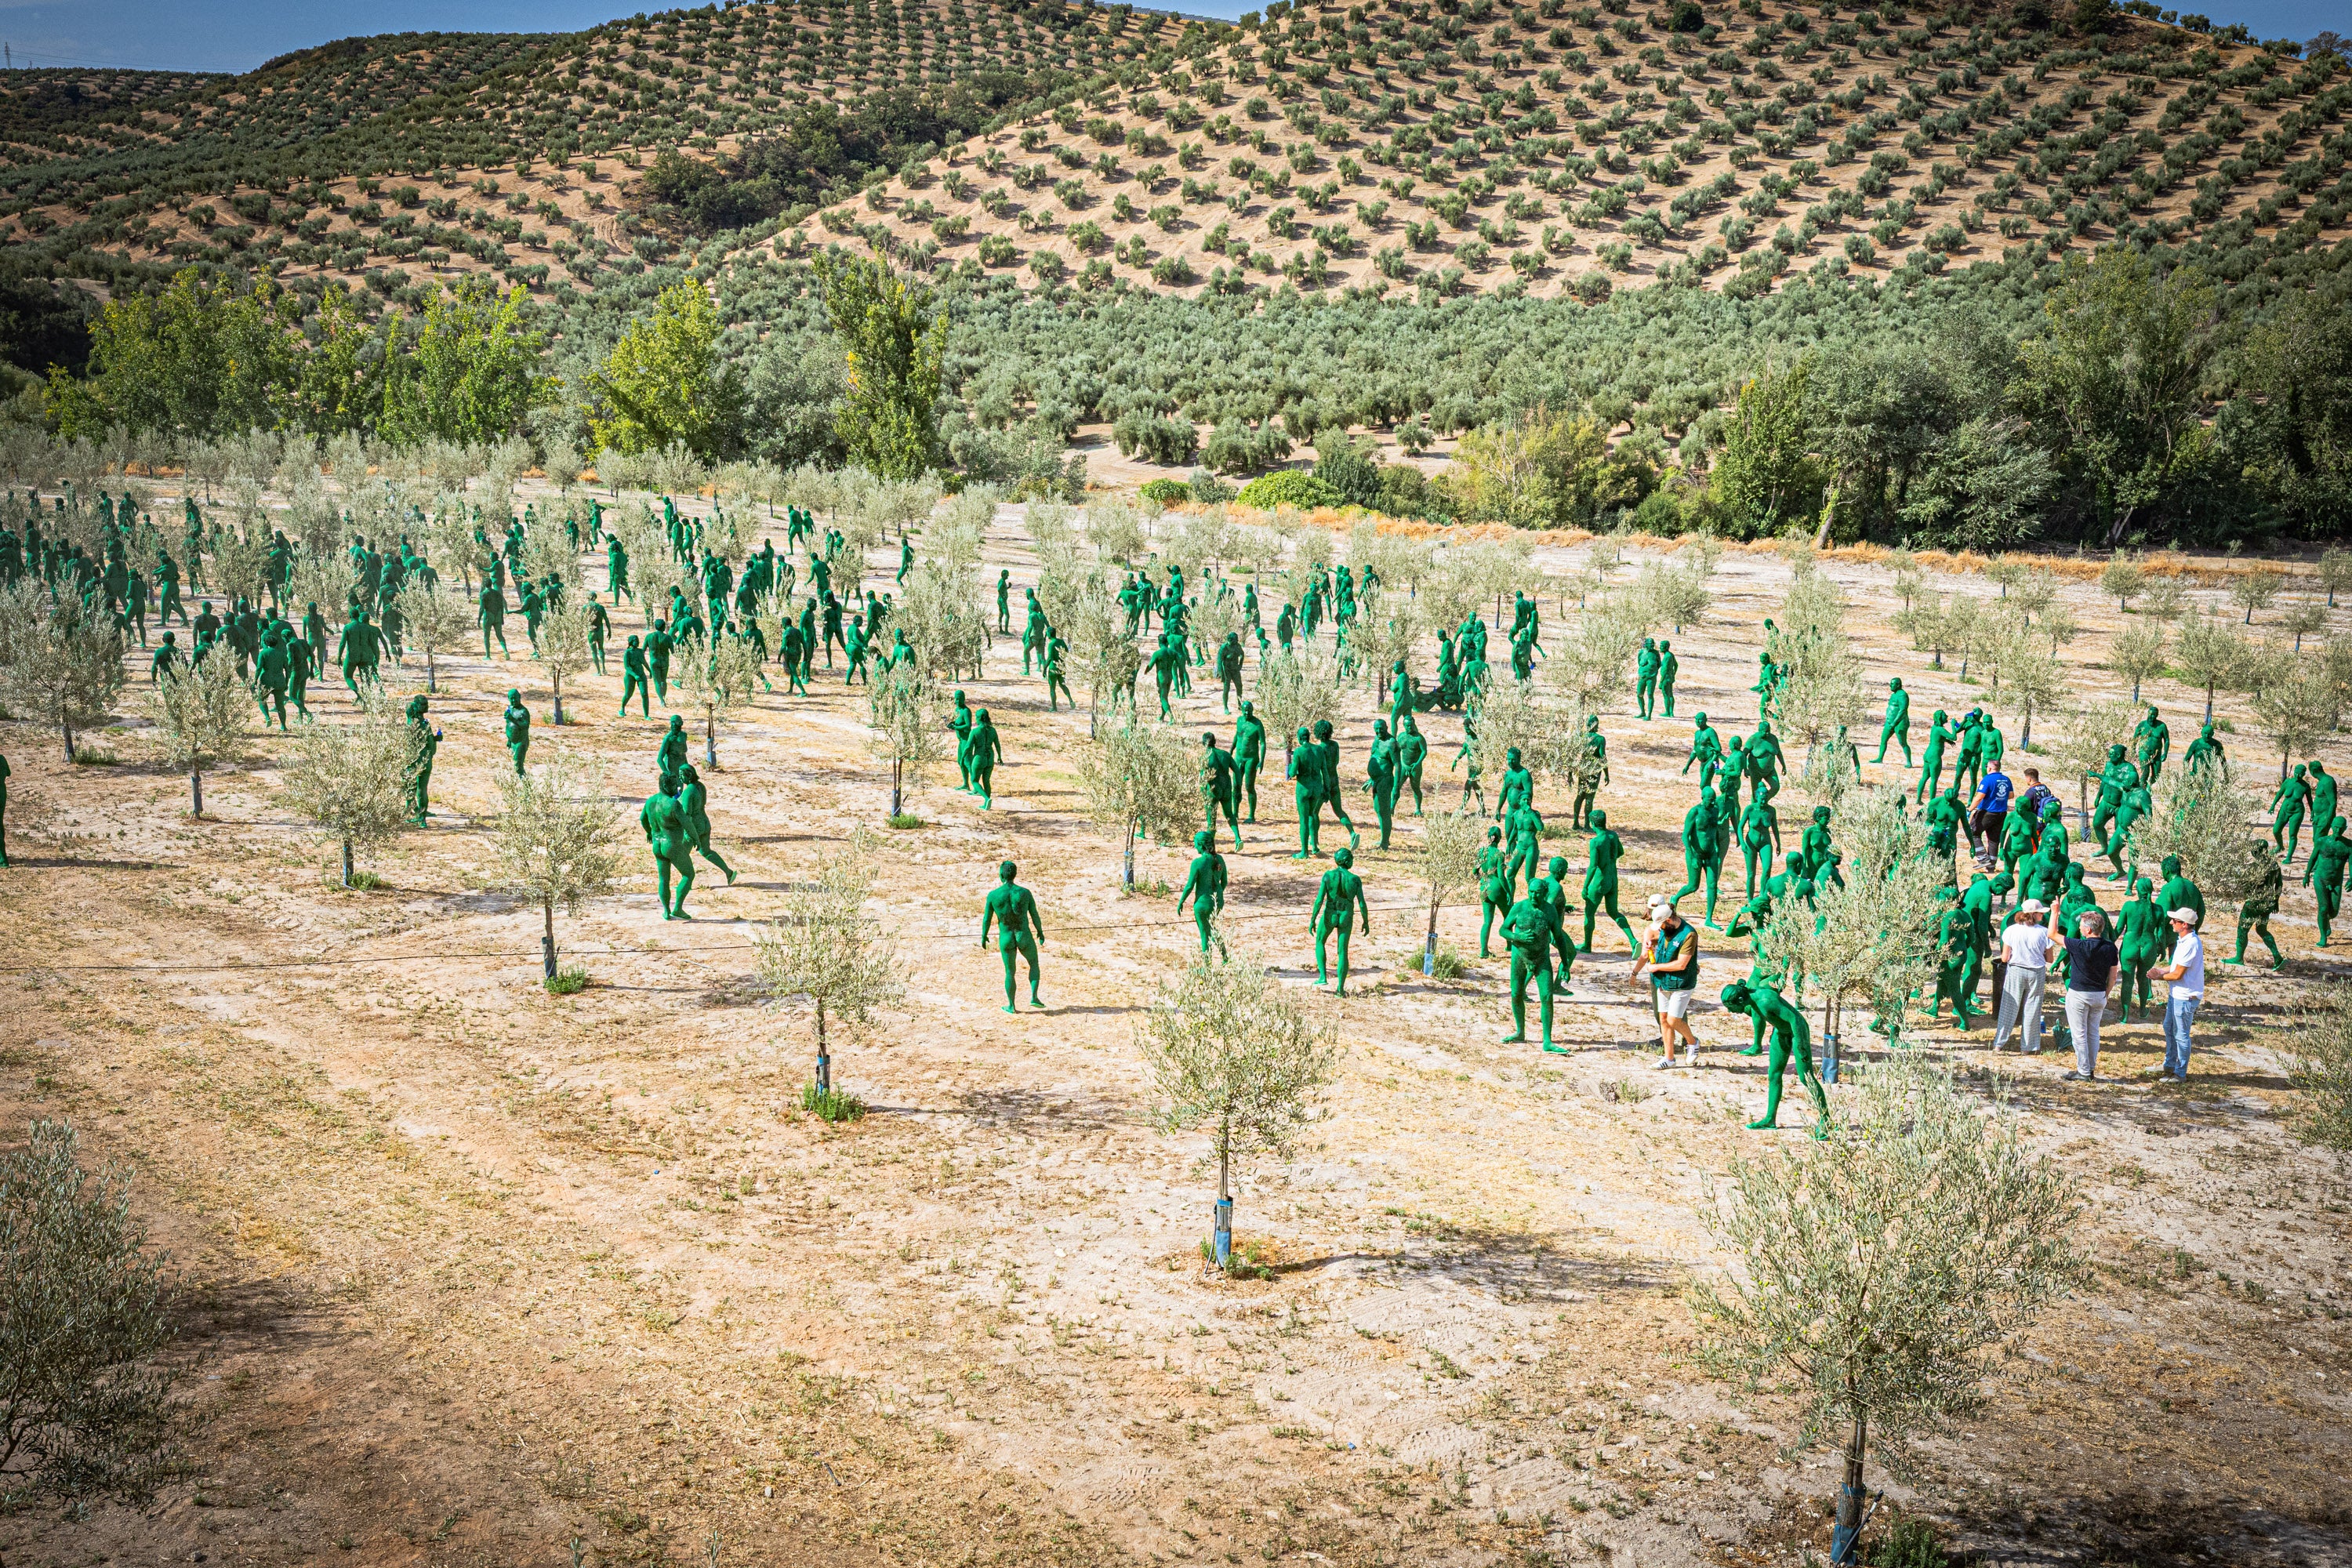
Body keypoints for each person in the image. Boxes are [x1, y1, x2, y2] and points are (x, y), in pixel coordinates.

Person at [1633, 900, 1699, 1068]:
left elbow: (1681, 964)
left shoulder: (1689, 934)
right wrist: (1650, 942)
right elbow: (1655, 937)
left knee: (1673, 1019)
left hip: (1682, 983)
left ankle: (1693, 1042)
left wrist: (1655, 967)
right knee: (1663, 1018)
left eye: (1660, 926)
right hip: (1663, 981)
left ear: (1668, 921)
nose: (1659, 929)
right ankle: (1669, 1059)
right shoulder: (1666, 928)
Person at [2060, 909, 2118, 1082]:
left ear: (2088, 931)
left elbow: (2052, 934)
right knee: (2093, 1032)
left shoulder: (2079, 945)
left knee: (2079, 1034)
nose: (2079, 929)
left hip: (2079, 994)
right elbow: (2113, 976)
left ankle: (2083, 1071)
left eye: (2081, 927)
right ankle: (2090, 1068)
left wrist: (2055, 912)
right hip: (2098, 994)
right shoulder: (2110, 947)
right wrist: (2105, 994)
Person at [980, 861, 1047, 1012]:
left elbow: (987, 919)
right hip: (1023, 934)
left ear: (1001, 875)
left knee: (1010, 972)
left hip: (1006, 936)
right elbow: (1034, 914)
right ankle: (1034, 997)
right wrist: (1040, 932)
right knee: (1034, 964)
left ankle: (1011, 1005)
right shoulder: (1025, 893)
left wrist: (984, 936)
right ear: (1015, 874)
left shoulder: (993, 895)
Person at [1990, 898, 2053, 1054]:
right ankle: (2029, 1047)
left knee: (2008, 1006)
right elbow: (2050, 959)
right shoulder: (2044, 932)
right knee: (2033, 1007)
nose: (2042, 916)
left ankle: (1999, 1043)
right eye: (2040, 913)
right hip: (2036, 971)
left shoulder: (2011, 930)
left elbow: (2004, 958)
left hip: (2016, 969)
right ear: (2035, 914)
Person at [1310, 846, 1371, 995]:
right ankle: (1340, 989)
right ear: (1346, 861)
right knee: (1342, 951)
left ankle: (1323, 976)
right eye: (1351, 859)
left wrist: (1313, 919)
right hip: (1346, 914)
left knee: (1320, 941)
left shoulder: (1328, 876)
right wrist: (1366, 921)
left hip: (1330, 912)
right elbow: (1362, 903)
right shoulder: (1355, 880)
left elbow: (1319, 900)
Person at [2153, 907, 2204, 1083]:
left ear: (2184, 924)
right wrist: (2161, 970)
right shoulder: (2183, 941)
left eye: (2174, 921)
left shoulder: (2190, 944)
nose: (2171, 923)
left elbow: (2177, 975)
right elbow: (2175, 968)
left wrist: (2158, 976)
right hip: (2177, 994)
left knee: (2181, 1034)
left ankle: (2180, 1073)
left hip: (2186, 996)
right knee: (2169, 1027)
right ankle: (2170, 1064)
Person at [1178, 829, 1227, 953]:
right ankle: (1225, 956)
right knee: (1211, 928)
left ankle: (1207, 965)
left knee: (1205, 933)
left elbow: (1189, 886)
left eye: (1196, 844)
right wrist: (1217, 895)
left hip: (1202, 903)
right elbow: (1224, 882)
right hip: (1218, 901)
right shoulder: (1220, 859)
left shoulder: (1197, 863)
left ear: (1201, 845)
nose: (1195, 847)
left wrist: (1181, 902)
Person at [1968, 757, 2013, 866]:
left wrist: (1969, 809)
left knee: (1972, 832)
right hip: (2001, 813)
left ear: (1990, 768)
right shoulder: (2006, 779)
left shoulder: (1987, 779)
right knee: (1994, 839)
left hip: (1987, 812)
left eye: (1987, 766)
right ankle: (1992, 865)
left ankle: (1983, 858)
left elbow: (1979, 797)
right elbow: (2011, 795)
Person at [1875, 677, 1911, 765]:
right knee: (1883, 740)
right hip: (1889, 722)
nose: (1890, 685)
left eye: (1892, 684)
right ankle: (1880, 758)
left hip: (1900, 723)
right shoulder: (1893, 694)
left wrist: (1895, 722)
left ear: (1898, 685)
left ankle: (1909, 762)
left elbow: (1903, 710)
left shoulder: (1902, 695)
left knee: (1902, 742)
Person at [503, 689, 531, 775]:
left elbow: (525, 726)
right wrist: (509, 739)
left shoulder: (523, 711)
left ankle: (526, 785)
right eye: (511, 699)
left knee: (518, 765)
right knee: (514, 764)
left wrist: (513, 719)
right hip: (513, 742)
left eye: (515, 698)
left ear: (520, 697)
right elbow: (508, 724)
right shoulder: (509, 709)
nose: (514, 700)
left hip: (521, 742)